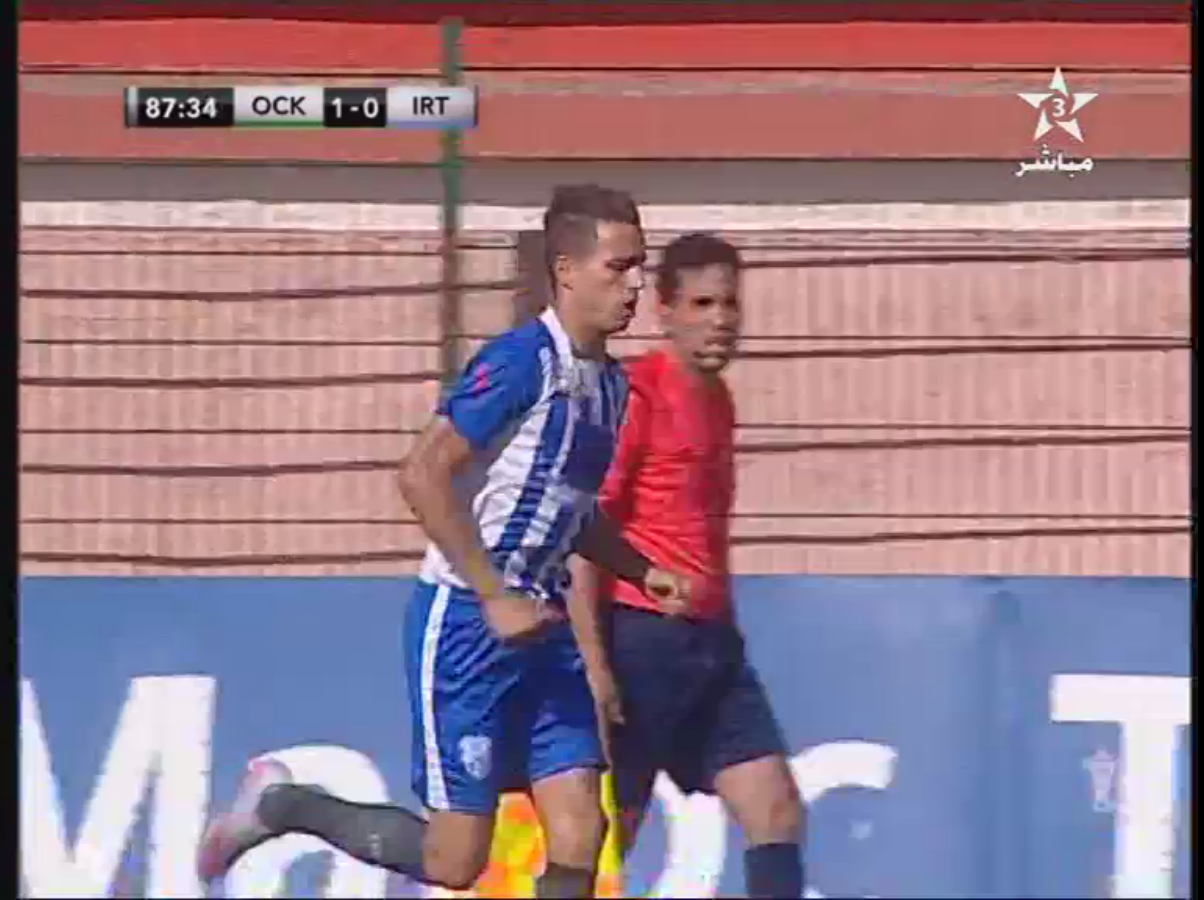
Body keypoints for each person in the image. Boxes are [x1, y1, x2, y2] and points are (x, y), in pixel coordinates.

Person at [195, 184, 693, 899]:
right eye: (619, 267)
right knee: (456, 862)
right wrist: (493, 596)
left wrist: (640, 569)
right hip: (466, 624)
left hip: (543, 630)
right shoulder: (522, 363)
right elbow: (422, 474)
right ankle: (283, 805)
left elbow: (566, 509)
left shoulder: (609, 386)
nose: (636, 283)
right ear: (566, 270)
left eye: (640, 264)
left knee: (583, 829)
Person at [567, 233, 808, 899]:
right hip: (640, 639)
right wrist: (593, 663)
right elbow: (586, 532)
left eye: (730, 303)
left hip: (711, 644)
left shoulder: (717, 401)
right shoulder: (635, 395)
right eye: (702, 303)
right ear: (665, 311)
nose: (721, 319)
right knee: (604, 836)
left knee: (776, 809)